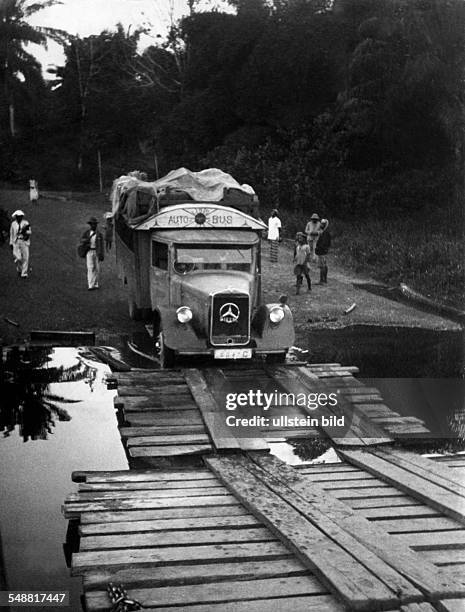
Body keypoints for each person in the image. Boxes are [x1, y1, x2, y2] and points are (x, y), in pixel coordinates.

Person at [80, 216, 104, 290]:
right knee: (90, 267)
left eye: (95, 224)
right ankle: (90, 285)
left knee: (97, 268)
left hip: (97, 251)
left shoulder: (99, 234)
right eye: (92, 224)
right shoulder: (87, 233)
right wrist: (86, 241)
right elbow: (81, 240)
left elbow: (101, 245)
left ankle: (95, 284)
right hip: (89, 251)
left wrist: (101, 254)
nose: (94, 225)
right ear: (90, 225)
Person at [9, 210, 31, 278]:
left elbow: (29, 232)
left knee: (25, 257)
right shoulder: (13, 224)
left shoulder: (26, 223)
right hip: (16, 242)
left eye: (20, 216)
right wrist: (11, 243)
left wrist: (24, 232)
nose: (19, 218)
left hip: (24, 242)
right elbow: (11, 233)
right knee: (18, 257)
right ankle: (19, 269)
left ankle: (24, 273)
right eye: (18, 216)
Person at [315, 218, 331, 284]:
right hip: (324, 250)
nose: (321, 224)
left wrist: (319, 248)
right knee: (324, 265)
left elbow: (324, 243)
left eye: (322, 224)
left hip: (322, 251)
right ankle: (325, 280)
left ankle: (322, 280)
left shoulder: (325, 233)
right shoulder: (324, 232)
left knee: (322, 266)